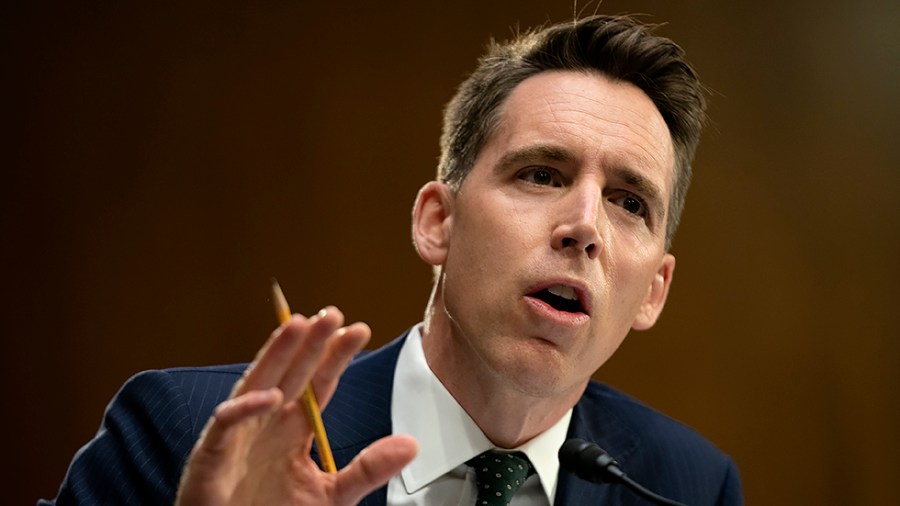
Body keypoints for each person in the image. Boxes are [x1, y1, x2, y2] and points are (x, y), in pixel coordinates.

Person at [41, 14, 743, 506]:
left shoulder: (686, 484)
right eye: (542, 175)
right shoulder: (185, 433)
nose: (584, 225)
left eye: (629, 202)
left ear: (654, 289)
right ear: (437, 221)